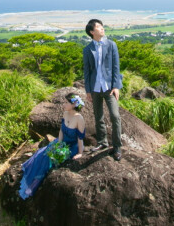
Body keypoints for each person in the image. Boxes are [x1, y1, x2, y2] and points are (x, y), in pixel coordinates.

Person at [19, 94, 86, 199]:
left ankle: (34, 184)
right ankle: (30, 177)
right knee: (42, 154)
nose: (64, 104)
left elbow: (80, 138)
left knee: (49, 162)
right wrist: (58, 144)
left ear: (73, 104)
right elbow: (61, 131)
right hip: (61, 142)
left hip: (71, 147)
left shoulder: (79, 118)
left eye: (66, 103)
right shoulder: (65, 113)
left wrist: (80, 153)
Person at [83, 18, 123, 161]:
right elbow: (86, 71)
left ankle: (117, 146)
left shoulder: (111, 45)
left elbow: (116, 67)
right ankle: (102, 142)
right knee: (98, 117)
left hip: (109, 88)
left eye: (102, 26)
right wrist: (87, 90)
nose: (102, 28)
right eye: (99, 27)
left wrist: (116, 86)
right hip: (95, 88)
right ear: (92, 32)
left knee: (115, 116)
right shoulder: (87, 49)